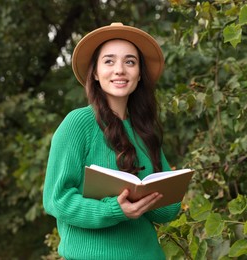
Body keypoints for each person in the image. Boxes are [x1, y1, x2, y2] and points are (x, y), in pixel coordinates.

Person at [43, 22, 181, 260]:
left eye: (130, 62)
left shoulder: (144, 129)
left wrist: (150, 196)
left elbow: (168, 211)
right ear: (95, 73)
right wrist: (116, 209)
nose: (120, 70)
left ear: (139, 75)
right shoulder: (78, 123)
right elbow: (56, 199)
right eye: (109, 61)